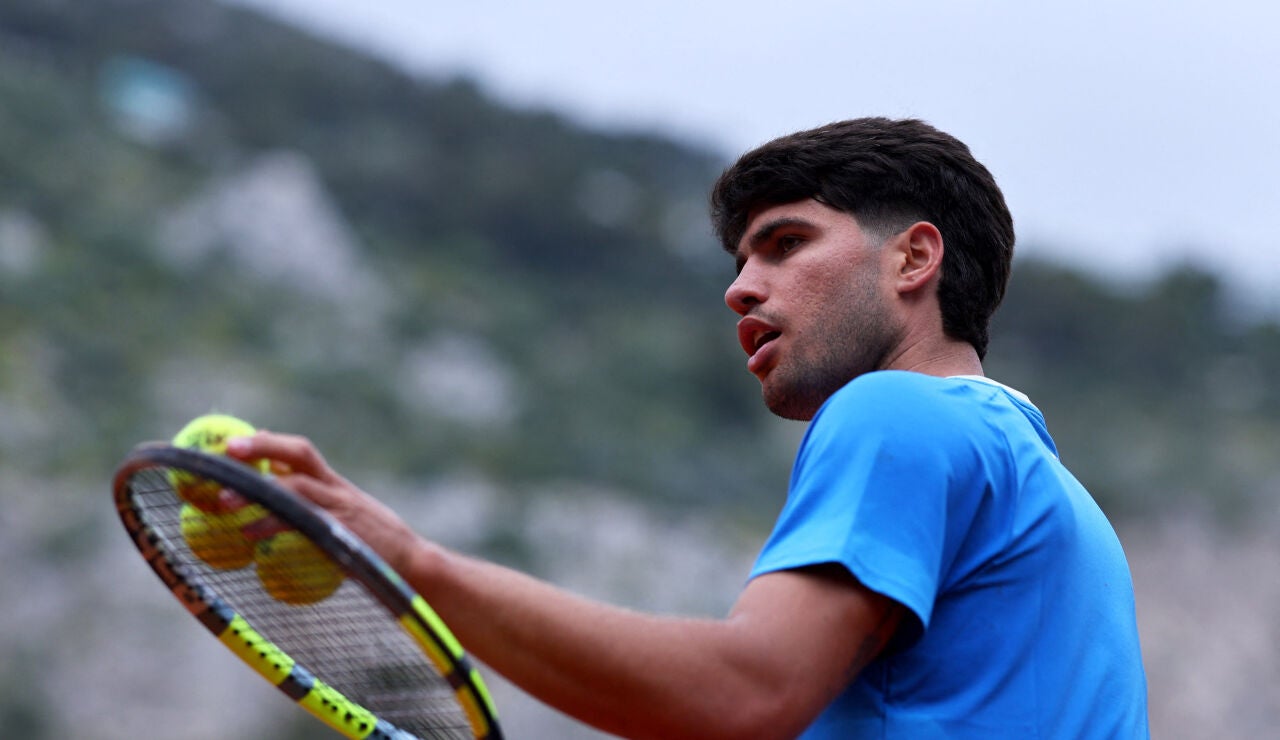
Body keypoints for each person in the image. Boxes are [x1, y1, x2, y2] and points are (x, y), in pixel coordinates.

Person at [228, 117, 1150, 738]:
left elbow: (746, 695)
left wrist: (408, 561)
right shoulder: (1060, 503)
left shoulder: (896, 410)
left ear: (913, 258)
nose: (741, 288)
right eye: (741, 260)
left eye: (787, 243)